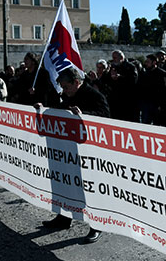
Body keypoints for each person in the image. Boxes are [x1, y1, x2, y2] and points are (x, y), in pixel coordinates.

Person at [39, 68, 110, 244]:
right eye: (62, 87)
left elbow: (105, 117)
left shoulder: (95, 95)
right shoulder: (70, 96)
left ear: (76, 83)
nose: (64, 91)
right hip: (70, 151)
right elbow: (60, 112)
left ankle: (97, 225)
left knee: (90, 190)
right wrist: (42, 111)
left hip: (89, 153)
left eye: (66, 86)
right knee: (65, 183)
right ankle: (64, 218)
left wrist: (83, 115)